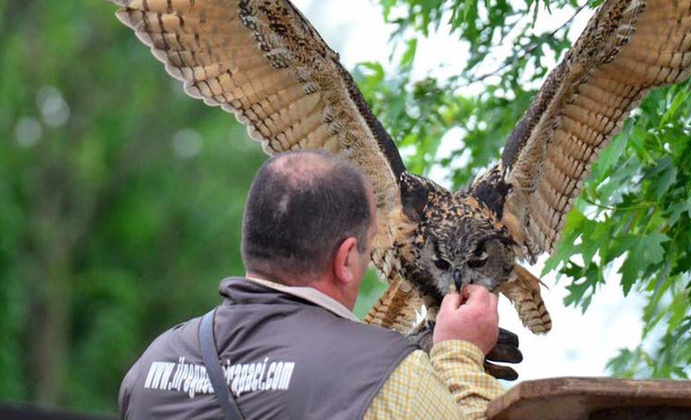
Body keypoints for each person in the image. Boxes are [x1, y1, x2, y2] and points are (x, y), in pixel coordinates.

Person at [119, 150, 506, 419]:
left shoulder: (153, 365)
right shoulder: (379, 374)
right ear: (345, 259)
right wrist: (460, 354)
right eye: (370, 248)